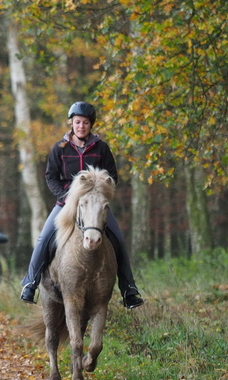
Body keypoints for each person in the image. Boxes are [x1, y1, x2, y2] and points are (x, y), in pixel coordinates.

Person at [20, 101, 144, 309]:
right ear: (71, 123)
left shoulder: (102, 148)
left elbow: (112, 176)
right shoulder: (59, 149)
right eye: (77, 122)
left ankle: (128, 288)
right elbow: (50, 176)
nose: (81, 126)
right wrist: (66, 196)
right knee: (44, 238)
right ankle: (30, 283)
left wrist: (100, 192)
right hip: (66, 204)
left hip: (94, 206)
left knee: (119, 240)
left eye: (85, 123)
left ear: (90, 125)